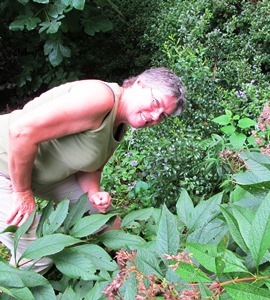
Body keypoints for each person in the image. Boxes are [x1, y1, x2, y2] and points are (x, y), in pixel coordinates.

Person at [0, 67, 186, 274]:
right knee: (37, 255)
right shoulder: (100, 98)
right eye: (155, 104)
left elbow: (91, 167)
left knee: (106, 219)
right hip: (5, 167)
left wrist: (94, 192)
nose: (154, 116)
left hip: (38, 173)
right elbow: (21, 132)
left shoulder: (120, 123)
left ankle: (139, 276)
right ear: (139, 84)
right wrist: (23, 193)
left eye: (163, 115)